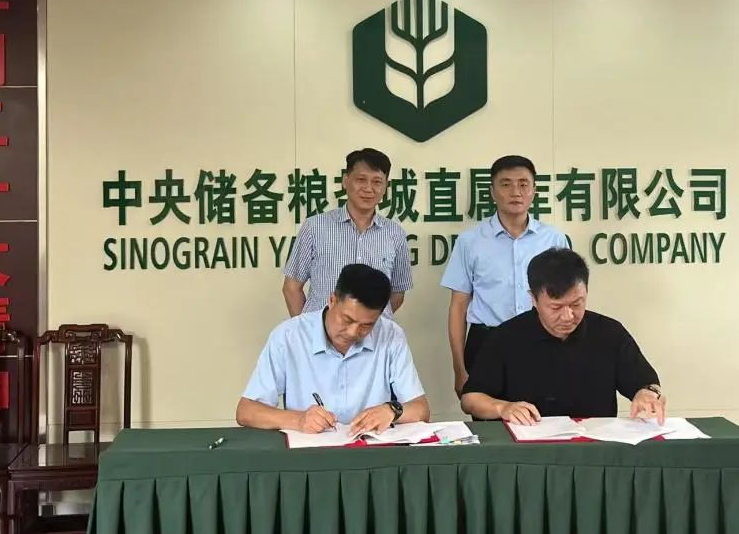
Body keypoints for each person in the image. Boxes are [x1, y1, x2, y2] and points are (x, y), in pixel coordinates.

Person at [460, 248, 666, 424]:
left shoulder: (609, 333)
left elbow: (646, 382)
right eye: (556, 307)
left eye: (577, 304)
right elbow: (470, 399)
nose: (568, 316)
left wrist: (647, 394)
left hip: (595, 446)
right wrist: (502, 408)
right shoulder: (506, 337)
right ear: (533, 299)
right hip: (528, 449)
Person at [237, 263, 429, 435]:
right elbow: (246, 411)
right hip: (309, 455)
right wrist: (299, 420)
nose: (353, 332)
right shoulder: (289, 336)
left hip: (370, 453)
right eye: (347, 320)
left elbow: (421, 409)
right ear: (332, 300)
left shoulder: (391, 335)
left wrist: (392, 410)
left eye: (366, 325)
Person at [441, 155, 569, 395]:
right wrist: (459, 369)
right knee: (487, 415)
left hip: (542, 341)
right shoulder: (470, 241)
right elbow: (458, 307)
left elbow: (566, 301)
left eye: (523, 184)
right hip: (486, 343)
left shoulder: (553, 240)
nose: (516, 192)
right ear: (492, 191)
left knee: (544, 415)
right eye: (506, 184)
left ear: (534, 191)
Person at [282, 148, 413, 319]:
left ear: (386, 186)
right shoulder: (315, 227)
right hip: (323, 334)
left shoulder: (395, 234)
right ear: (345, 181)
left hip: (374, 334)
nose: (368, 188)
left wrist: (365, 323)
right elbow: (291, 288)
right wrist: (310, 329)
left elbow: (397, 293)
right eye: (361, 179)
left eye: (377, 182)